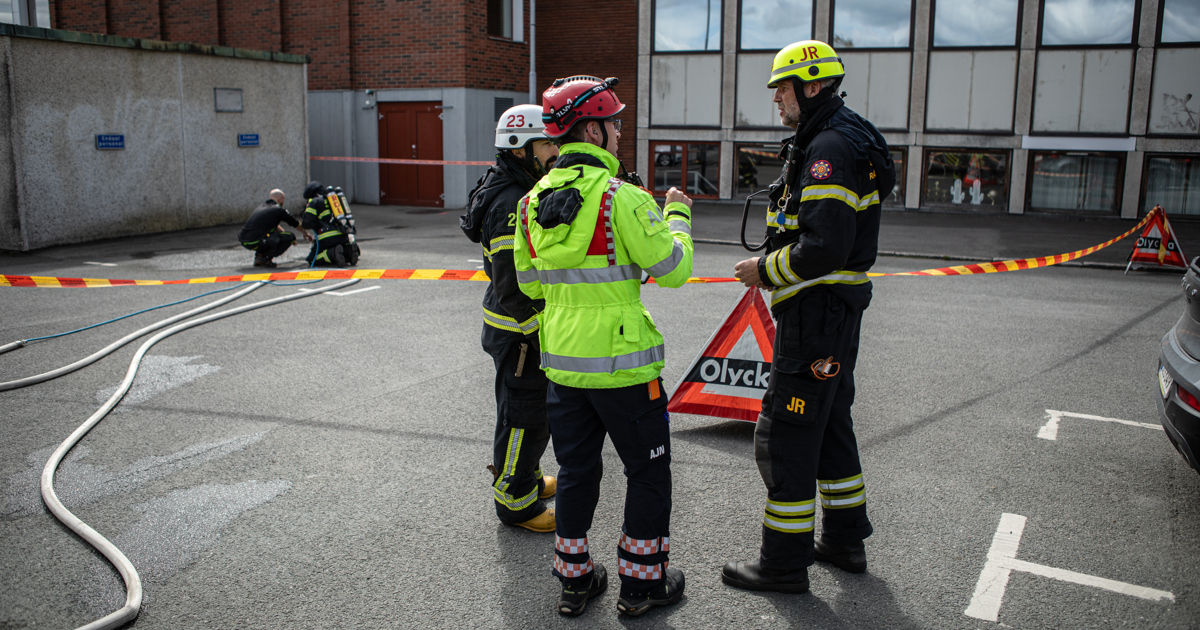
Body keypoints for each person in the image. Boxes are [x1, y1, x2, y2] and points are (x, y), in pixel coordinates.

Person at [513, 76, 694, 618]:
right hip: (626, 371)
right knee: (647, 474)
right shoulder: (624, 199)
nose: (618, 132)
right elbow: (675, 270)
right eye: (614, 123)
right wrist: (677, 217)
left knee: (575, 473)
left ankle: (574, 581)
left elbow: (530, 287)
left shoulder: (529, 204)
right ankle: (641, 587)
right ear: (592, 128)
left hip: (564, 369)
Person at [723, 39, 896, 594]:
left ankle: (782, 564)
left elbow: (823, 247)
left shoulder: (827, 148)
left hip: (817, 311)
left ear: (813, 85)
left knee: (790, 434)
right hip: (833, 313)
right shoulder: (840, 136)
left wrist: (764, 269)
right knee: (830, 425)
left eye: (783, 86)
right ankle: (844, 541)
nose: (776, 97)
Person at [460, 104, 562, 533]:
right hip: (520, 331)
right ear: (521, 149)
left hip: (511, 326)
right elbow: (513, 287)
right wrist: (547, 327)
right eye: (547, 143)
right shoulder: (511, 201)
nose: (555, 151)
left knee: (524, 411)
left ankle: (531, 478)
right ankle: (516, 503)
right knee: (525, 416)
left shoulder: (515, 182)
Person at [238, 189, 312, 268]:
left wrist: (283, 237)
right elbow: (295, 223)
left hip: (244, 240)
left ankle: (259, 257)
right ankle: (265, 258)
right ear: (279, 199)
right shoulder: (278, 210)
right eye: (283, 200)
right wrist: (306, 234)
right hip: (256, 241)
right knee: (291, 236)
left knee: (269, 235)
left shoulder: (262, 207)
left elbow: (275, 226)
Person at [300, 181, 359, 267]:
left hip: (326, 238)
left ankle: (331, 253)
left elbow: (306, 224)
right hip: (343, 235)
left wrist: (307, 210)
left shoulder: (314, 202)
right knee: (340, 250)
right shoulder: (335, 200)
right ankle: (348, 252)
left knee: (312, 259)